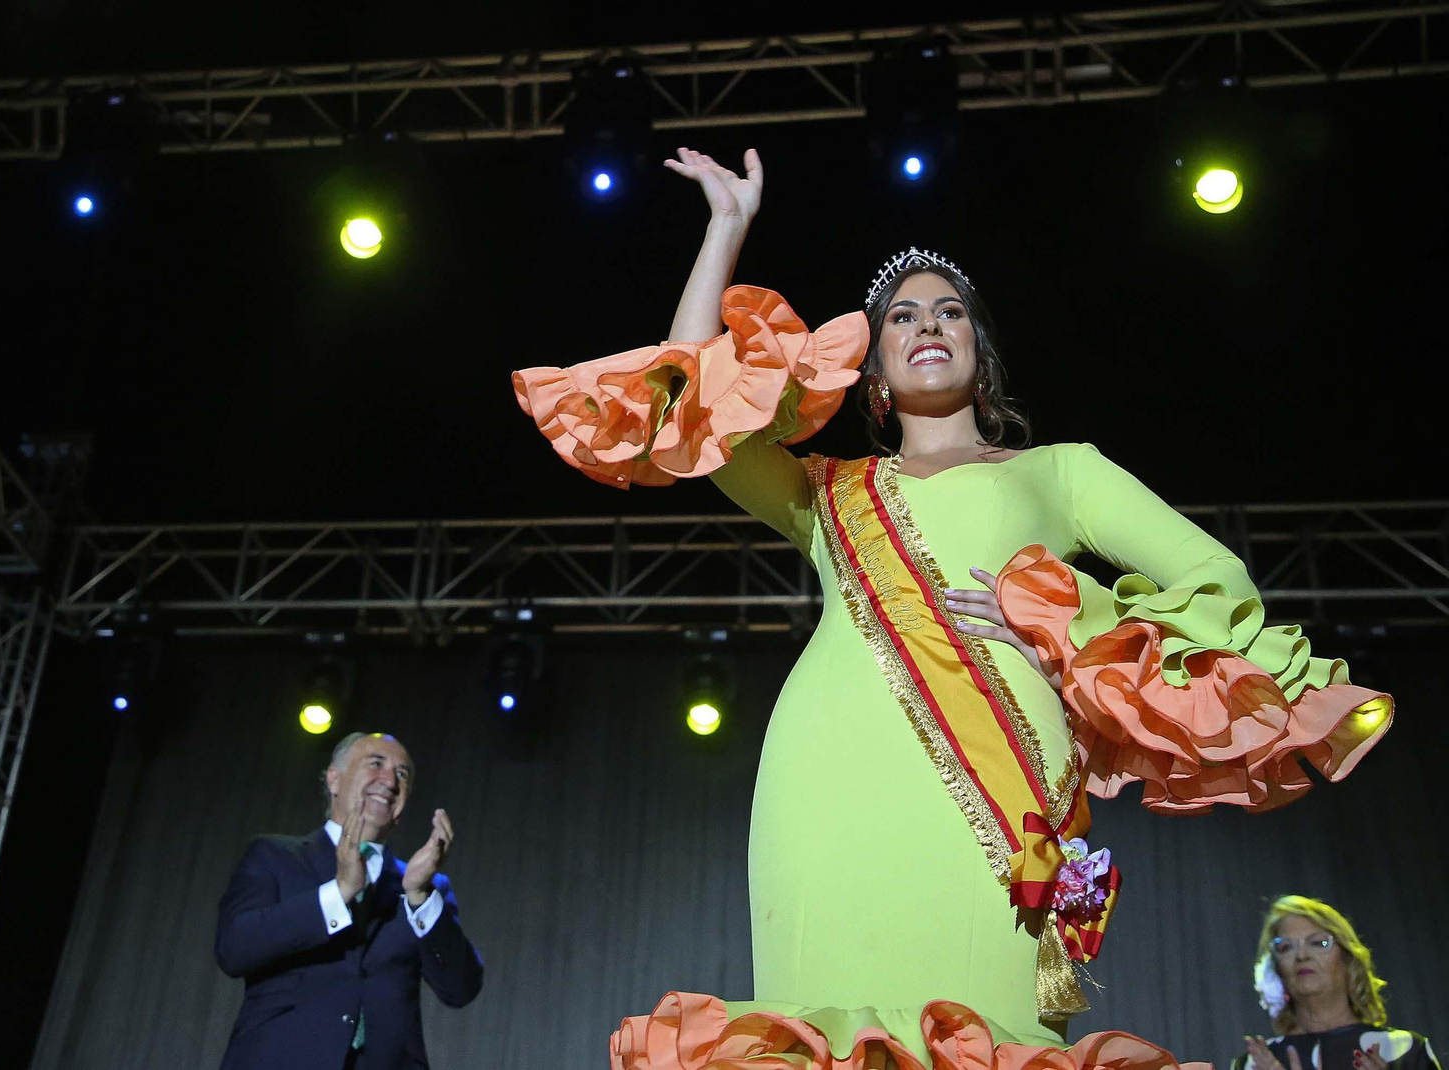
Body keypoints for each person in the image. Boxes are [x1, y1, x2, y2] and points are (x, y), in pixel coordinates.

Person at [513, 148, 1395, 1070]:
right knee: (832, 1025)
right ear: (876, 370)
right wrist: (725, 229)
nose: (928, 323)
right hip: (827, 777)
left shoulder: (1063, 471)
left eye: (950, 311)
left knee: (992, 1028)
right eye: (902, 314)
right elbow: (690, 400)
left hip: (1001, 780)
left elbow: (1221, 585)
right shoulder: (827, 490)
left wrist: (1059, 620)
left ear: (981, 350)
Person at [215, 731, 482, 1070]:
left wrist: (419, 897)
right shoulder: (275, 855)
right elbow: (234, 949)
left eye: (403, 774)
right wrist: (339, 893)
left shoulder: (425, 886)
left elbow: (461, 989)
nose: (390, 780)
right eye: (376, 764)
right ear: (334, 779)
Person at [1238, 896, 1439, 1070]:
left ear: (1347, 958)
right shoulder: (1255, 1063)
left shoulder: (1405, 1050)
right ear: (1275, 970)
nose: (1301, 955)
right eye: (1285, 947)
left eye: (1319, 943)